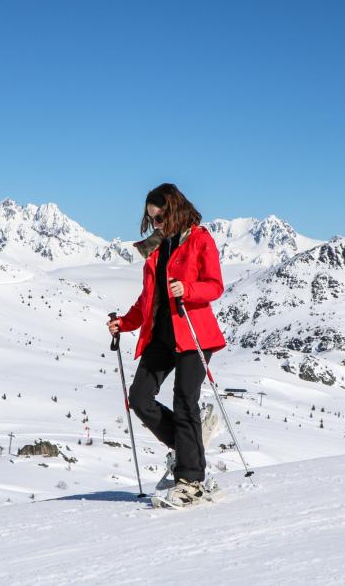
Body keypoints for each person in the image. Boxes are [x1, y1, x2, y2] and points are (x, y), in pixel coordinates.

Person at [106, 183, 227, 507]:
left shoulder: (200, 239)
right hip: (160, 335)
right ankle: (191, 445)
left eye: (159, 217)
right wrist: (125, 322)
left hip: (193, 332)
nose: (155, 223)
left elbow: (215, 286)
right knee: (139, 398)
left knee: (185, 401)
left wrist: (187, 289)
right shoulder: (156, 247)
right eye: (151, 219)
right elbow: (149, 297)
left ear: (174, 210)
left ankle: (191, 481)